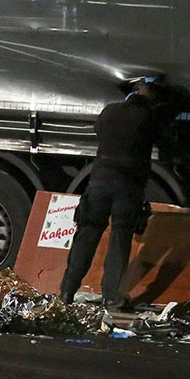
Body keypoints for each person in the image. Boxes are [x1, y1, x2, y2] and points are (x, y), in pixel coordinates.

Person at [59, 77, 175, 310]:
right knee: (119, 242)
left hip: (98, 183)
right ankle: (111, 296)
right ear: (151, 96)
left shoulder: (109, 112)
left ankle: (67, 292)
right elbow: (165, 133)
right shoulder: (149, 117)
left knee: (86, 236)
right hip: (127, 188)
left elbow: (99, 132)